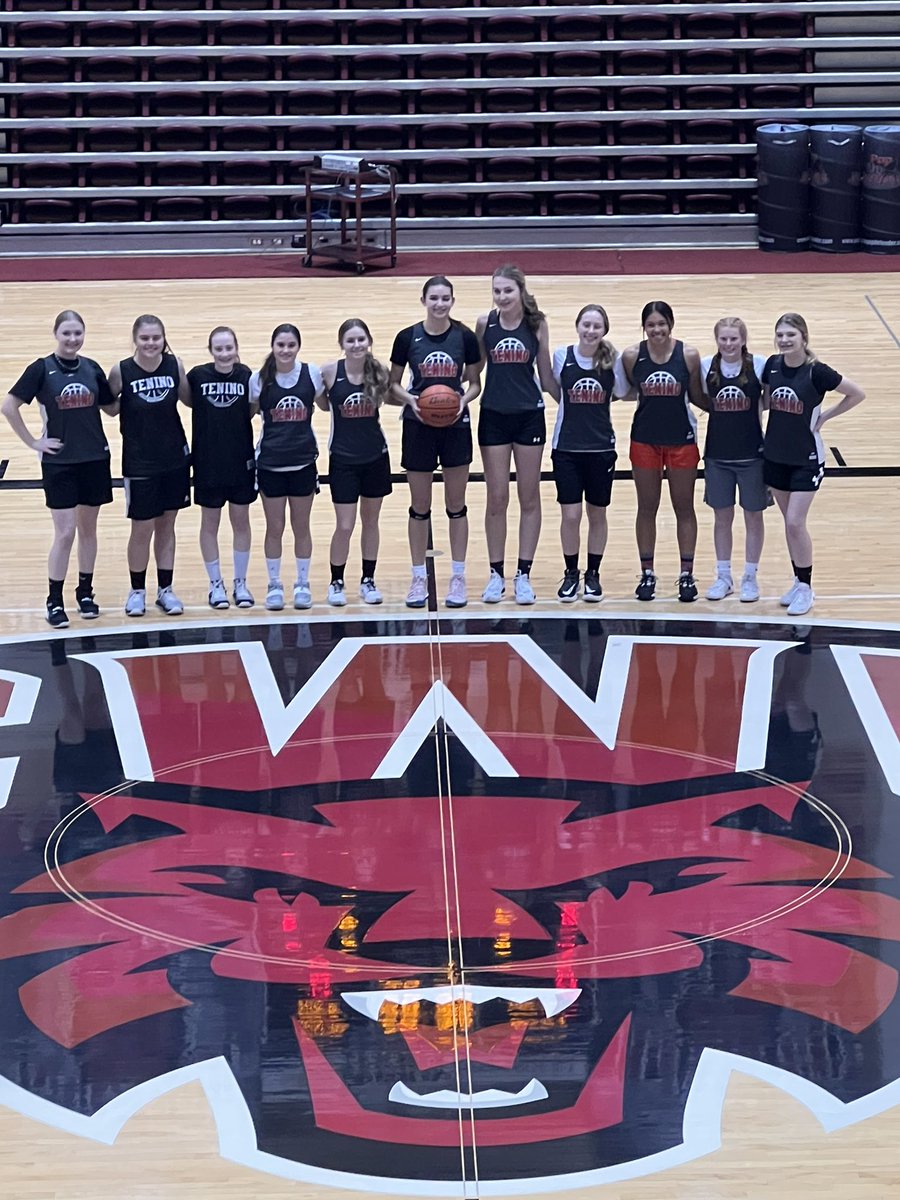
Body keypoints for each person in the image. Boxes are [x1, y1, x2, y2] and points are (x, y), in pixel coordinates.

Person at [1, 310, 116, 627]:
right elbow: (8, 405)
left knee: (88, 531)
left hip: (94, 459)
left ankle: (85, 594)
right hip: (59, 463)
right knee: (65, 533)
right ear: (56, 334)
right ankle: (54, 600)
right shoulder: (41, 369)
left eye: (78, 333)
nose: (72, 339)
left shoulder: (91, 368)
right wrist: (33, 442)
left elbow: (112, 407)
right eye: (67, 333)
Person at [762, 312, 865, 617]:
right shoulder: (772, 365)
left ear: (803, 338)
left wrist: (825, 417)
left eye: (790, 335)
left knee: (795, 522)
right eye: (780, 335)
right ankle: (798, 580)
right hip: (776, 455)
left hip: (806, 458)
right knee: (789, 525)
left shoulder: (817, 371)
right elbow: (767, 400)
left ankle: (806, 587)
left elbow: (856, 393)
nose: (784, 340)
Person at [389, 275, 482, 609]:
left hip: (456, 424)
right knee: (420, 507)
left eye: (445, 298)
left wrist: (462, 401)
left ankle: (458, 577)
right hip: (418, 424)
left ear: (452, 301)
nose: (440, 304)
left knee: (456, 506)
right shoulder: (407, 337)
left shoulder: (465, 337)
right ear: (424, 300)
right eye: (434, 298)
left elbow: (474, 383)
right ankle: (418, 577)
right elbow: (394, 383)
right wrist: (411, 401)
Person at [475, 264, 555, 605]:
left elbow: (547, 376)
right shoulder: (485, 324)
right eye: (497, 291)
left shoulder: (536, 324)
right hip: (493, 415)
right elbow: (473, 371)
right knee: (496, 498)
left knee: (529, 497)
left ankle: (523, 574)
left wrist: (579, 405)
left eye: (508, 290)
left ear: (521, 291)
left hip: (528, 417)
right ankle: (496, 574)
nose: (502, 296)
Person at [622, 301, 707, 603]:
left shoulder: (689, 355)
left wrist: (731, 412)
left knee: (684, 507)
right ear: (643, 327)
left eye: (662, 323)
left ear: (671, 324)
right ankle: (647, 573)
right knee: (647, 508)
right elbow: (631, 391)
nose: (657, 329)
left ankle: (686, 575)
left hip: (682, 441)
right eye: (651, 325)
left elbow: (696, 395)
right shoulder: (632, 356)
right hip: (644, 440)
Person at [107, 314, 191, 617]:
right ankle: (137, 591)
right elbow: (110, 407)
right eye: (145, 338)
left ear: (163, 338)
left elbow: (190, 400)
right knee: (142, 528)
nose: (151, 343)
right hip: (140, 460)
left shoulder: (174, 365)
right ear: (136, 340)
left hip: (174, 458)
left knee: (167, 526)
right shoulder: (121, 370)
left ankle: (165, 590)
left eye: (156, 338)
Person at [549, 304, 631, 602]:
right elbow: (554, 389)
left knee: (597, 514)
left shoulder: (614, 361)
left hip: (601, 449)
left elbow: (622, 393)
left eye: (597, 326)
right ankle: (571, 572)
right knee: (570, 515)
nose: (591, 330)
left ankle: (593, 574)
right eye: (586, 324)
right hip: (566, 448)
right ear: (577, 325)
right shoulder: (563, 356)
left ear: (604, 330)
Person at [249, 323, 323, 612]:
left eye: (291, 345)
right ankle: (274, 584)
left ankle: (302, 584)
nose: (285, 350)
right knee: (275, 527)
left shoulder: (312, 375)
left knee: (301, 526)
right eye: (280, 345)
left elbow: (327, 404)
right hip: (270, 463)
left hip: (303, 461)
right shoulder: (259, 380)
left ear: (298, 347)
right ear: (273, 346)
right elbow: (248, 413)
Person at [319, 319, 392, 606]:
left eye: (361, 339)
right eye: (350, 340)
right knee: (345, 525)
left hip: (375, 456)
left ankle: (368, 580)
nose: (357, 345)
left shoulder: (380, 371)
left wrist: (415, 400)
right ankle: (336, 581)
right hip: (343, 459)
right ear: (342, 344)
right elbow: (321, 403)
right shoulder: (327, 372)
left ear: (369, 341)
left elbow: (390, 397)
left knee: (370, 522)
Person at [185, 326, 256, 610]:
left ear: (236, 348)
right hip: (207, 461)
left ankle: (240, 582)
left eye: (229, 348)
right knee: (209, 523)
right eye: (219, 349)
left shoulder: (247, 376)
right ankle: (215, 584)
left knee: (241, 521)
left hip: (240, 459)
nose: (225, 353)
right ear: (211, 350)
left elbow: (251, 410)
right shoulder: (197, 376)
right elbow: (189, 402)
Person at [701, 317, 769, 603]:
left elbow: (768, 399)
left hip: (752, 454)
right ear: (717, 340)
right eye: (723, 339)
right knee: (722, 518)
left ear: (743, 339)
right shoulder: (706, 366)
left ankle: (750, 577)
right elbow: (704, 400)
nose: (728, 344)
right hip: (718, 454)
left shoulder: (760, 365)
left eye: (734, 339)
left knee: (754, 516)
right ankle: (724, 576)